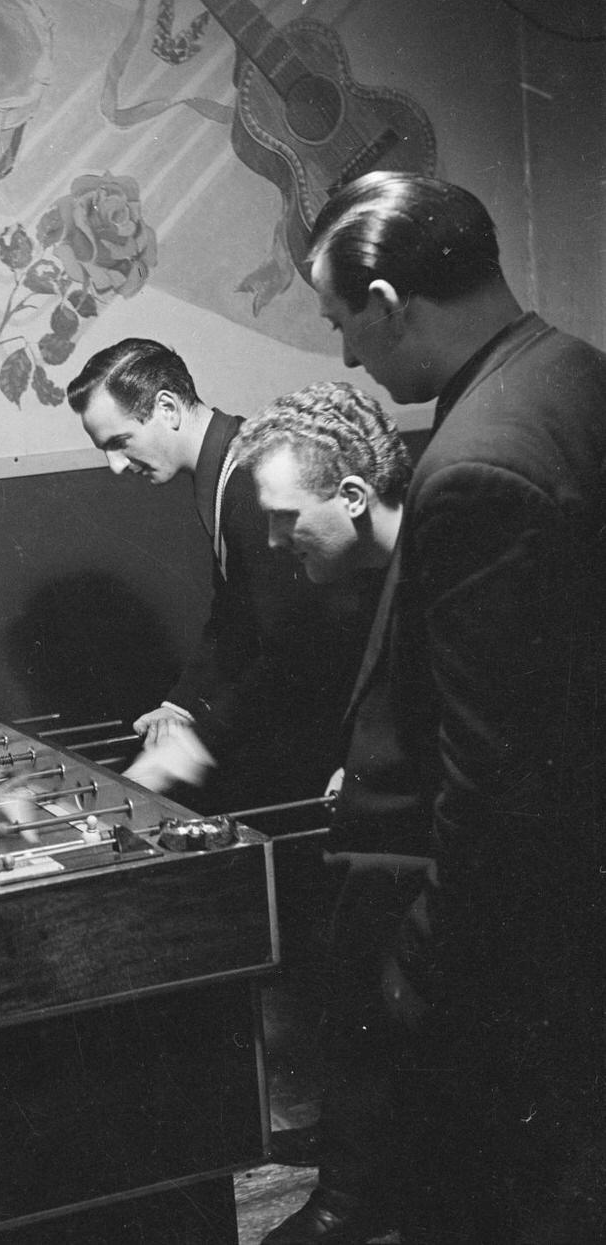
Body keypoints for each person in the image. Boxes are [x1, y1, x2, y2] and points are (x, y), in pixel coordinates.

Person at [267, 171, 606, 1244]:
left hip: (503, 944)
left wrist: (417, 967)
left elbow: (497, 774)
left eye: (341, 323)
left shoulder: (476, 465)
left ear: (384, 298)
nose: (348, 357)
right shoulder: (570, 375)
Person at [232, 382, 428, 1243]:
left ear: (352, 497)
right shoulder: (368, 571)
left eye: (284, 517)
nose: (273, 540)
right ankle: (354, 1195)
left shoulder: (442, 562)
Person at [66, 338, 378, 814]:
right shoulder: (226, 461)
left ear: (166, 407)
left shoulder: (251, 478)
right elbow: (235, 611)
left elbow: (289, 652)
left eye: (120, 442)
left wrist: (182, 752)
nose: (115, 465)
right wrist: (181, 705)